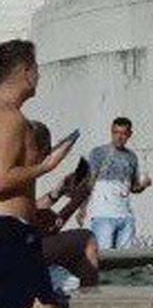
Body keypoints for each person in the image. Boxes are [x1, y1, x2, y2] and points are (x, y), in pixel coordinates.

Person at [0, 40, 75, 308]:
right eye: (37, 69)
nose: (39, 77)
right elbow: (2, 178)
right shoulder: (10, 116)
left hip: (14, 227)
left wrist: (34, 212)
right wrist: (46, 166)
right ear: (27, 72)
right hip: (8, 232)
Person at [30, 121, 99, 287]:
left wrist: (56, 193)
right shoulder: (17, 173)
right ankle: (90, 298)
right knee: (87, 238)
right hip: (15, 249)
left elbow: (27, 208)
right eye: (46, 151)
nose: (45, 156)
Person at [80, 117, 151, 250]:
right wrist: (82, 208)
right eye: (115, 132)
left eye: (123, 133)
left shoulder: (131, 157)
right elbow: (90, 182)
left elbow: (133, 188)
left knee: (124, 262)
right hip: (103, 215)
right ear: (111, 132)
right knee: (104, 258)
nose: (119, 137)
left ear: (129, 134)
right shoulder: (98, 153)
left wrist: (143, 185)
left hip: (126, 217)